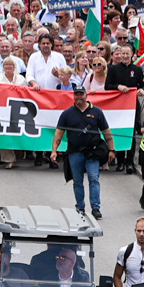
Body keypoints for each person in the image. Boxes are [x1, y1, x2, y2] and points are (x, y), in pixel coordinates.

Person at [51, 87, 112, 220]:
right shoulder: (67, 114)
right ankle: (80, 207)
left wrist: (112, 150)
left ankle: (95, 207)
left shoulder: (97, 112)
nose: (79, 97)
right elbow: (59, 133)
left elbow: (106, 132)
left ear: (86, 95)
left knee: (94, 179)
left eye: (81, 94)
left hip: (93, 152)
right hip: (75, 152)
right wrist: (54, 151)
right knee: (77, 181)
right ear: (73, 96)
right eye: (76, 94)